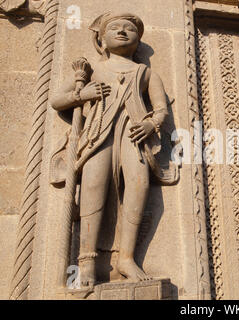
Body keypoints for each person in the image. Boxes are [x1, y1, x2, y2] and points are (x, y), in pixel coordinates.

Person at [51, 12, 172, 287]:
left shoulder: (145, 72)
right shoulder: (93, 69)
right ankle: (87, 261)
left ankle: (126, 258)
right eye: (114, 28)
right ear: (102, 41)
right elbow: (57, 100)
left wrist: (152, 124)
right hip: (97, 136)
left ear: (137, 41)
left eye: (129, 29)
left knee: (139, 184)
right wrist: (82, 94)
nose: (122, 31)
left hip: (134, 134)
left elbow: (161, 109)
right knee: (93, 187)